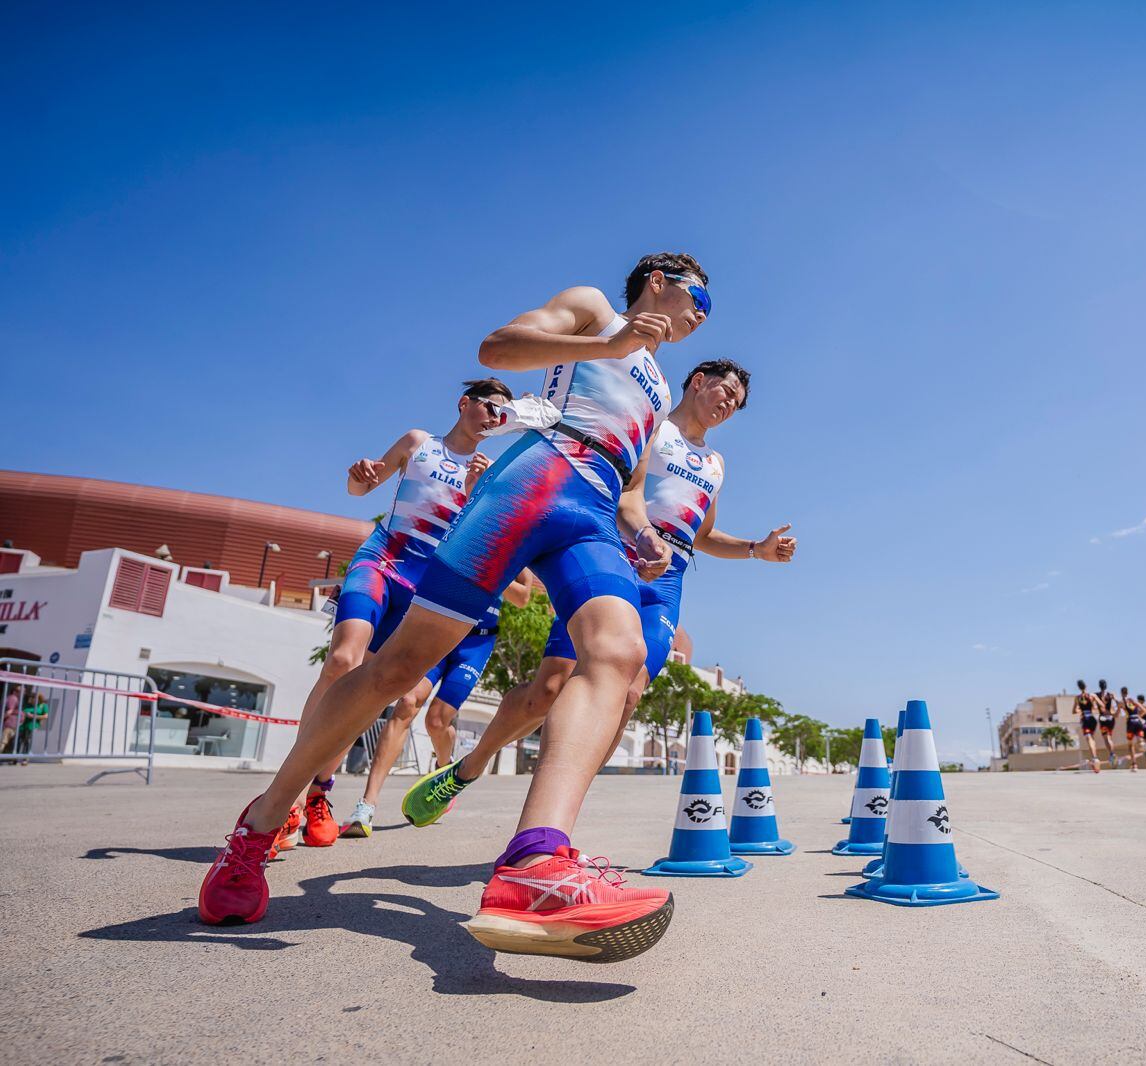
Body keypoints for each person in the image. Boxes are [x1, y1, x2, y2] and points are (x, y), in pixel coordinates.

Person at [199, 252, 709, 963]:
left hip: (594, 512)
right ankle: (260, 824)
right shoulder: (596, 308)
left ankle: (535, 861)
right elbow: (497, 349)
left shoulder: (658, 389)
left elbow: (630, 488)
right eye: (698, 300)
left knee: (618, 658)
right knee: (396, 669)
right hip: (537, 479)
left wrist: (645, 533)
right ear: (660, 281)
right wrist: (609, 344)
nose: (700, 317)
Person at [400, 358, 794, 833]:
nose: (729, 404)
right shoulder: (652, 428)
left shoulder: (715, 464)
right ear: (698, 382)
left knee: (627, 694)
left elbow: (705, 534)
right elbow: (614, 490)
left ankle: (553, 827)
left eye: (738, 403)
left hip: (668, 579)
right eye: (726, 392)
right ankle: (468, 767)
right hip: (613, 556)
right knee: (547, 690)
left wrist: (756, 549)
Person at [264, 380, 506, 856]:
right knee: (342, 662)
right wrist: (358, 476)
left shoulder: (490, 472)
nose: (495, 418)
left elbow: (481, 542)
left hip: (422, 586)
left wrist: (478, 492)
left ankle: (320, 791)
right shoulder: (419, 442)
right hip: (382, 560)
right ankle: (288, 798)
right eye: (489, 406)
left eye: (503, 414)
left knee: (367, 694)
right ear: (464, 403)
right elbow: (361, 487)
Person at [340, 568, 536, 837]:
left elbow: (523, 597)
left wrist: (490, 567)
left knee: (437, 721)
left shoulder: (516, 552)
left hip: (476, 643)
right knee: (407, 703)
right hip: (442, 629)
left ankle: (445, 769)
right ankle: (366, 805)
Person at [1073, 680, 1104, 773]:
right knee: (1092, 738)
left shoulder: (1078, 697)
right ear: (1086, 686)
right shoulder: (1092, 695)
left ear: (1079, 687)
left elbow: (1074, 711)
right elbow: (1101, 705)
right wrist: (1094, 706)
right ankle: (1095, 758)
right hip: (1092, 718)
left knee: (1089, 738)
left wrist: (1081, 710)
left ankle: (1094, 758)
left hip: (1085, 718)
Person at [1120, 685, 1143, 772]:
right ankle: (1142, 744)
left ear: (1122, 693)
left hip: (1130, 723)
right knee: (1139, 741)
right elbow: (1143, 710)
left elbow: (1118, 710)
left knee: (1130, 745)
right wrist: (1138, 716)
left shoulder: (1122, 701)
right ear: (1127, 692)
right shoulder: (1133, 701)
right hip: (1138, 721)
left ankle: (1134, 764)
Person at [1095, 680, 1118, 765]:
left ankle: (1112, 754)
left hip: (1103, 719)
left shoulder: (1096, 695)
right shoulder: (1110, 694)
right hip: (1111, 718)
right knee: (1109, 738)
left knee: (1106, 738)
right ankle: (1112, 754)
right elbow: (1118, 703)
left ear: (1099, 686)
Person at [2, 686, 19, 754]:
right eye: (19, 691)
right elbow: (10, 711)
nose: (23, 693)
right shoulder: (13, 698)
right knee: (3, 742)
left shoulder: (11, 698)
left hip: (10, 723)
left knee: (6, 742)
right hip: (9, 724)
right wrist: (2, 719)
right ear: (14, 692)